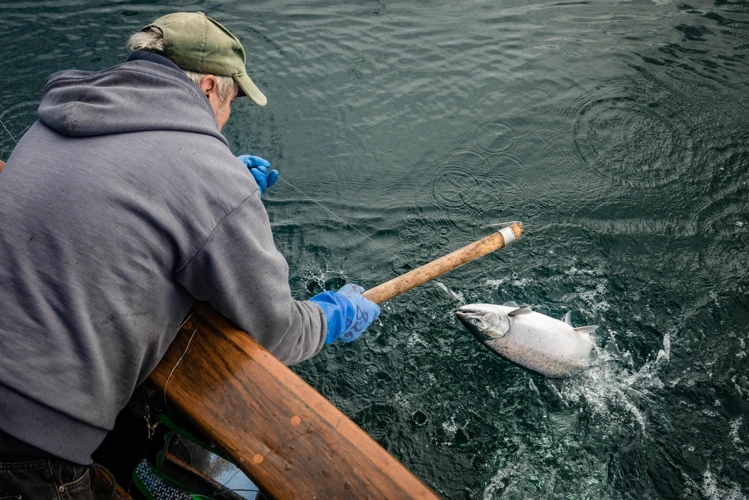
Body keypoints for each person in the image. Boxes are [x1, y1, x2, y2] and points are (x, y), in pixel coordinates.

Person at [0, 11, 380, 498]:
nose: (224, 120)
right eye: (230, 104)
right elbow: (278, 331)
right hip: (31, 446)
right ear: (206, 88)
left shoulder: (52, 121)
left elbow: (124, 191)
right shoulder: (210, 177)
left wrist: (212, 202)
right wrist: (332, 316)